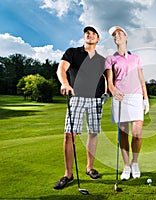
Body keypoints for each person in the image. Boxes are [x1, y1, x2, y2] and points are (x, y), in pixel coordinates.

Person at [54, 26, 107, 190]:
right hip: (76, 97)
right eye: (87, 33)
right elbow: (61, 68)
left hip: (96, 100)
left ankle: (90, 168)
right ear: (84, 37)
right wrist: (65, 83)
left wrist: (106, 92)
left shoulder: (102, 60)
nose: (89, 35)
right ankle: (68, 175)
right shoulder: (73, 53)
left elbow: (107, 77)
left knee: (92, 133)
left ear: (98, 39)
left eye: (93, 33)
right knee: (69, 134)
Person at [105, 26, 149, 180]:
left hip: (136, 97)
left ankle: (135, 162)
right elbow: (110, 81)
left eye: (119, 33)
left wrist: (146, 99)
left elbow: (142, 80)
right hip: (120, 97)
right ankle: (126, 166)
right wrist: (113, 92)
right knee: (123, 133)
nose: (117, 36)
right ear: (114, 40)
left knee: (137, 134)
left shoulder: (136, 58)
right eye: (114, 35)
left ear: (126, 37)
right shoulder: (110, 59)